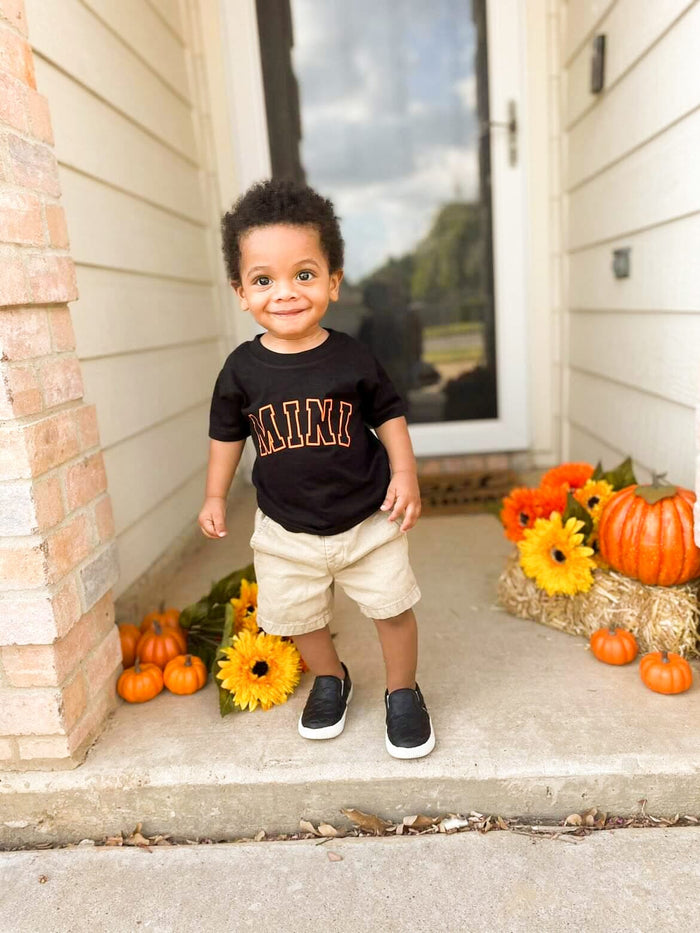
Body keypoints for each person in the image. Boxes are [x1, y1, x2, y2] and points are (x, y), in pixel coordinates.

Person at [199, 179, 435, 759]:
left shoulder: (352, 355)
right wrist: (213, 494)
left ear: (332, 281)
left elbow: (390, 416)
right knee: (297, 616)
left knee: (392, 608)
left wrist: (404, 474)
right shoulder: (241, 370)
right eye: (264, 280)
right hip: (285, 530)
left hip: (367, 519)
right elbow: (227, 436)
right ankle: (331, 678)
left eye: (303, 275)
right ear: (241, 291)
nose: (285, 292)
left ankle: (403, 692)